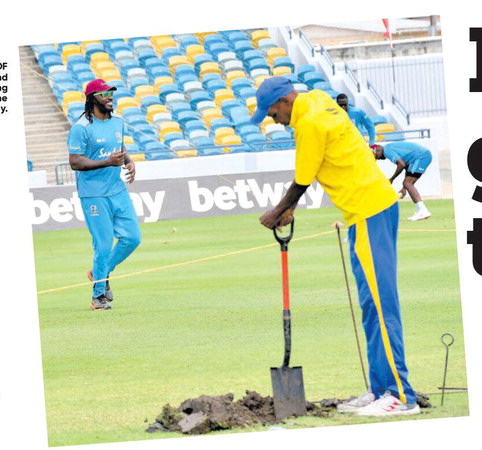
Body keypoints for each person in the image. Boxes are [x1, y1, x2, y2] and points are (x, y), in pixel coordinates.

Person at [251, 76, 419, 417]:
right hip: (365, 212)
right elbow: (323, 159)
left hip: (369, 211)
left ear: (285, 101)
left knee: (381, 306)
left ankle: (401, 396)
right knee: (371, 307)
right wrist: (289, 209)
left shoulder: (309, 123)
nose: (274, 121)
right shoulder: (316, 98)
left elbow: (302, 181)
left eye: (273, 113)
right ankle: (380, 389)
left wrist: (277, 211)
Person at [67, 79, 141, 311]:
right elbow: (75, 162)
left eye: (111, 93)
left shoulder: (117, 122)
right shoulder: (81, 128)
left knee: (132, 238)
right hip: (94, 195)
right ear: (92, 99)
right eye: (104, 94)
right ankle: (97, 296)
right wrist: (107, 162)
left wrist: (129, 161)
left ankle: (101, 271)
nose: (110, 97)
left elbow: (119, 149)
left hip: (117, 190)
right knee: (103, 244)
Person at [373, 142, 432, 221]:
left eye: (376, 156)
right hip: (421, 156)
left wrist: (392, 179)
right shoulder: (389, 148)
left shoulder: (386, 150)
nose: (378, 159)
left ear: (377, 149)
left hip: (421, 156)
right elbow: (406, 166)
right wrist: (404, 188)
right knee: (407, 183)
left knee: (407, 183)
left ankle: (423, 210)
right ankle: (421, 210)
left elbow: (401, 164)